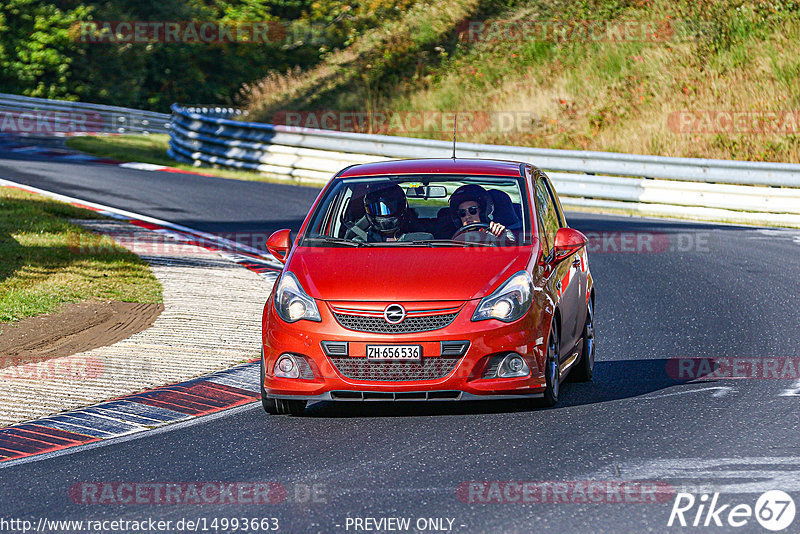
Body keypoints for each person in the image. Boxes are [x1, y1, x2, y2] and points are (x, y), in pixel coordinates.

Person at [348, 183, 415, 242]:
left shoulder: (418, 237)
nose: (383, 215)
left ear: (401, 206)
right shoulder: (361, 239)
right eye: (377, 209)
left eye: (389, 208)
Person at [448, 184, 513, 241]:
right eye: (462, 213)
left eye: (472, 210)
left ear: (483, 212)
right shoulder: (450, 237)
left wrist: (502, 236)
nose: (467, 216)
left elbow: (513, 248)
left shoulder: (497, 232)